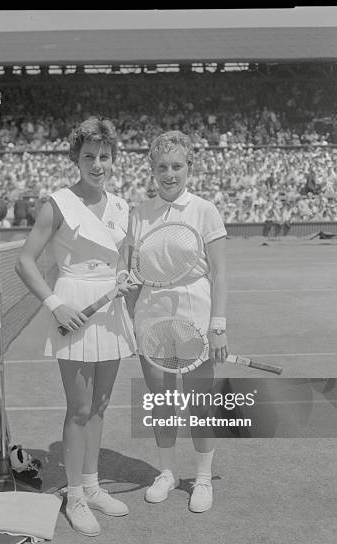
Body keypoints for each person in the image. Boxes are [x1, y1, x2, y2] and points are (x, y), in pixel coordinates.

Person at [15, 117, 136, 537]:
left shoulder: (122, 206)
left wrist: (124, 278)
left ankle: (92, 485)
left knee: (100, 407)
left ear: (113, 159)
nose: (97, 164)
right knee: (80, 408)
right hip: (73, 307)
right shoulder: (57, 202)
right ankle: (75, 496)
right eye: (89, 157)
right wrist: (54, 303)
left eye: (104, 157)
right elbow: (24, 261)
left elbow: (120, 263)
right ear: (75, 158)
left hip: (110, 311)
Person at [127, 131, 228, 513]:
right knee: (161, 401)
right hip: (150, 316)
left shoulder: (205, 210)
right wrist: (127, 321)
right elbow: (135, 273)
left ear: (189, 167)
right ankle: (167, 472)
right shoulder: (140, 212)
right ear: (152, 170)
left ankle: (202, 477)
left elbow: (219, 273)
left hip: (195, 314)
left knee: (199, 401)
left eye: (177, 166)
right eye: (162, 167)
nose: (169, 174)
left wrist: (217, 324)